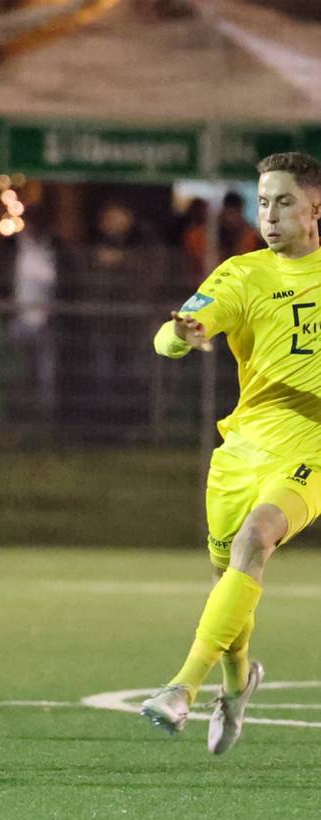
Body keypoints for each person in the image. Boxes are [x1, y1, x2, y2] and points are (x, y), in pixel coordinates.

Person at [141, 152, 321, 754]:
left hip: (312, 447)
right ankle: (239, 681)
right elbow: (169, 336)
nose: (269, 214)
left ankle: (181, 689)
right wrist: (181, 336)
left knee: (256, 540)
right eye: (264, 201)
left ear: (315, 207)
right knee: (229, 579)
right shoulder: (242, 275)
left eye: (284, 201)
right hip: (244, 449)